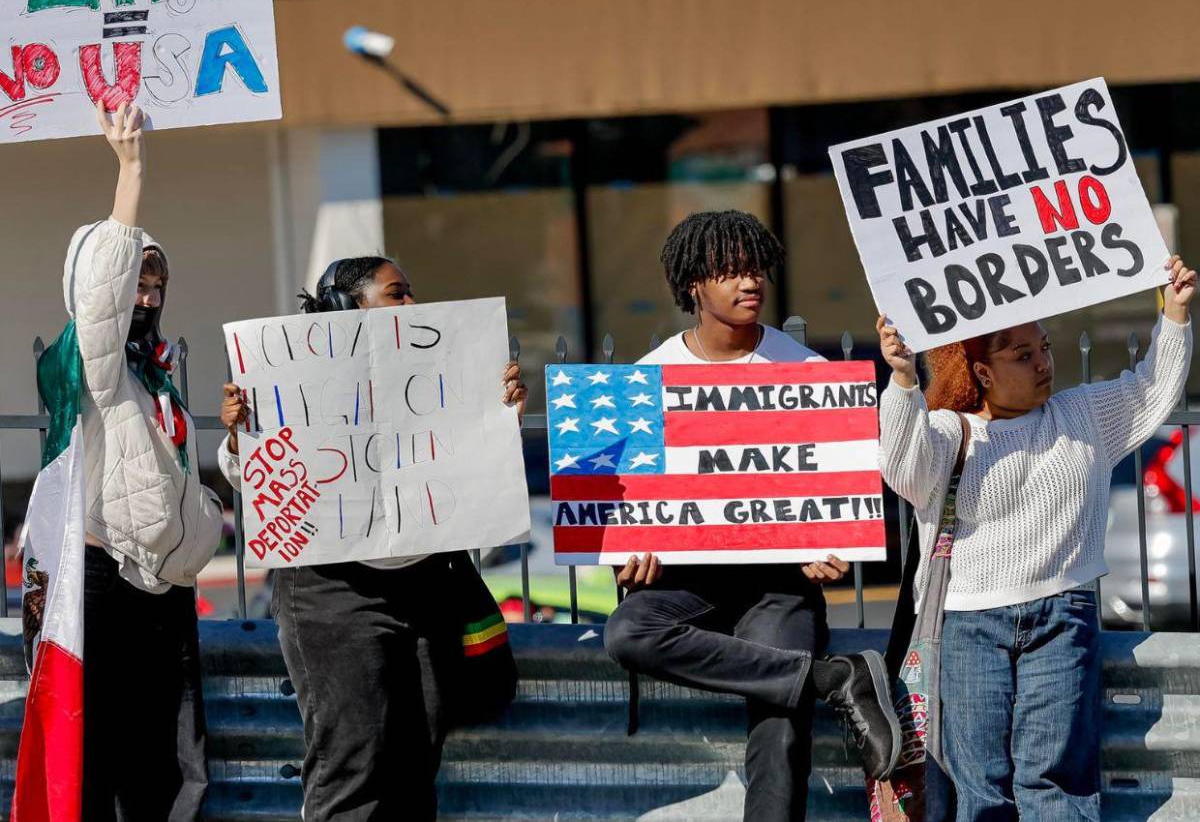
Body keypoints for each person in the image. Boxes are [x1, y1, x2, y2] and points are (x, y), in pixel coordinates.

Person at [603, 210, 902, 822]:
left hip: (779, 586)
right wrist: (628, 563)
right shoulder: (646, 380)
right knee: (626, 631)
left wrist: (831, 548)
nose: (750, 282)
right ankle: (829, 679)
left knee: (780, 727)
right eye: (730, 270)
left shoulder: (810, 376)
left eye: (755, 268)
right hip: (690, 588)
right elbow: (624, 513)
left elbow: (839, 503)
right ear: (694, 284)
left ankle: (802, 687)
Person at [877, 256, 1195, 820]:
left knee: (1056, 785)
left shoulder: (1082, 415)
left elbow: (1151, 392)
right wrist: (903, 382)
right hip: (968, 625)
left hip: (1062, 616)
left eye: (1044, 347)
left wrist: (1173, 314)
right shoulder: (952, 432)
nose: (1044, 363)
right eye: (1022, 355)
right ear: (980, 373)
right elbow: (904, 470)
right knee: (982, 789)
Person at [217, 257, 527, 821]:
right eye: (396, 294)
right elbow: (258, 483)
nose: (412, 305)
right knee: (353, 762)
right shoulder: (292, 381)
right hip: (332, 595)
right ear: (346, 308)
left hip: (426, 584)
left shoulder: (441, 366)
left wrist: (497, 404)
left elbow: (469, 456)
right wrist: (243, 439)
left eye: (412, 293)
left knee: (417, 756)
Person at [58, 103, 224, 819]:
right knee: (102, 767)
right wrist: (131, 171)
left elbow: (177, 481)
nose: (146, 297)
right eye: (137, 284)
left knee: (160, 771)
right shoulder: (94, 364)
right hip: (105, 584)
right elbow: (102, 301)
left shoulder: (153, 374)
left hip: (160, 591)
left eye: (157, 286)